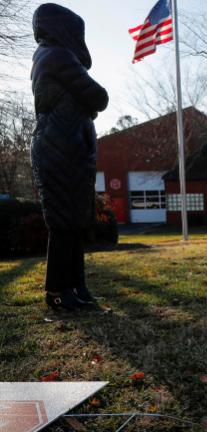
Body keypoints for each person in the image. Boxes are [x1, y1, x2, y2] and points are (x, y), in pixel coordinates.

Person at [30, 4, 108, 311]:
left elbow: (87, 100)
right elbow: (98, 97)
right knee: (63, 224)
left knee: (73, 223)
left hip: (68, 148)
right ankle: (58, 291)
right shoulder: (56, 56)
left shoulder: (51, 57)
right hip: (57, 149)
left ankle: (77, 286)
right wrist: (88, 104)